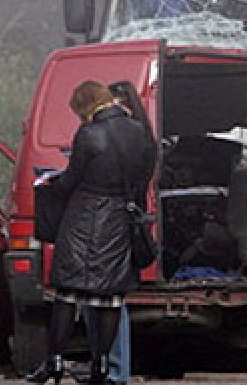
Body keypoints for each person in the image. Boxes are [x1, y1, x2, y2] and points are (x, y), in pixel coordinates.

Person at [26, 80, 155, 385]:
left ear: (86, 107)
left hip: (83, 221)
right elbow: (142, 179)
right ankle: (100, 367)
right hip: (118, 221)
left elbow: (71, 181)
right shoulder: (139, 132)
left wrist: (49, 184)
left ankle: (54, 363)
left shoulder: (89, 134)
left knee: (67, 294)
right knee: (109, 298)